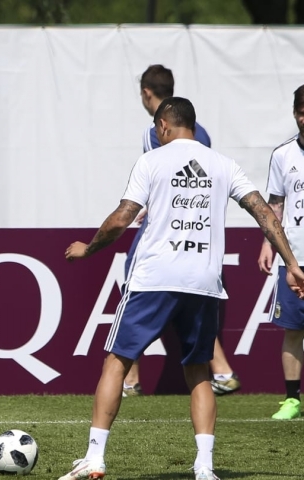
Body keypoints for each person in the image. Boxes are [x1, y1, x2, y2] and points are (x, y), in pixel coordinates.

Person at [61, 97, 304, 480]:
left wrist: (89, 248)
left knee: (117, 362)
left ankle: (95, 457)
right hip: (204, 283)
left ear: (162, 126)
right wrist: (291, 263)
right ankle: (204, 467)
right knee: (199, 373)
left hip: (154, 279)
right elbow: (264, 212)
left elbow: (123, 217)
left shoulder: (152, 160)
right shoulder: (224, 164)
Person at [122, 64, 240, 398]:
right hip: (200, 234)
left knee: (134, 283)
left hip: (165, 232)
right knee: (189, 303)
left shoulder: (152, 134)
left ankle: (129, 379)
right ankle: (223, 371)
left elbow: (162, 180)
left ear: (148, 94)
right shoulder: (200, 131)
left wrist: (144, 208)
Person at [258, 84, 304, 420]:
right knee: (293, 329)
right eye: (301, 111)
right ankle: (292, 399)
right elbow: (275, 205)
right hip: (294, 257)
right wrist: (267, 243)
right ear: (295, 114)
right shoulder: (282, 155)